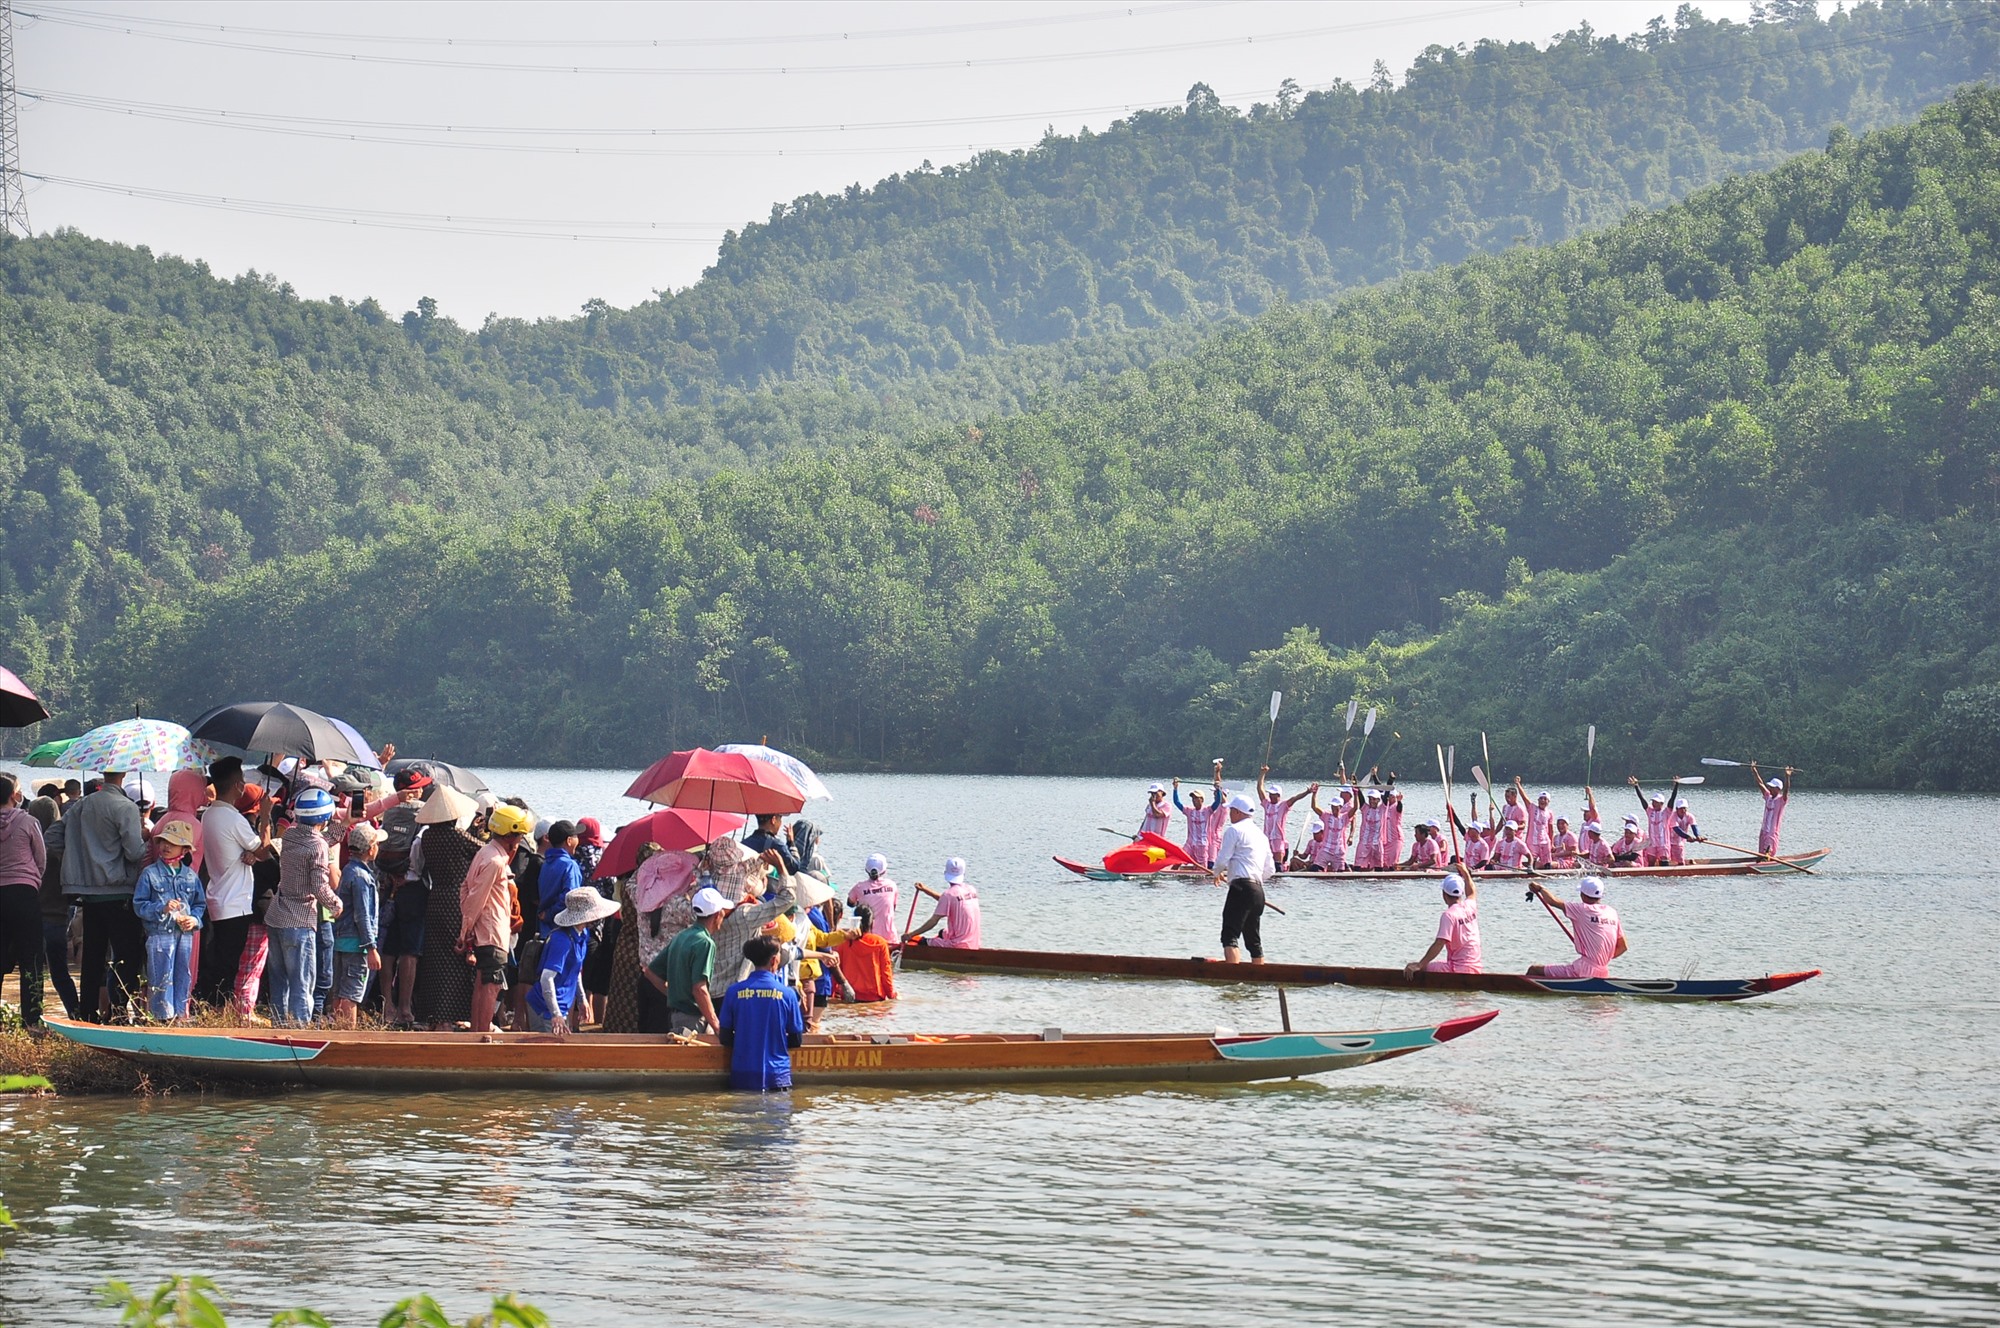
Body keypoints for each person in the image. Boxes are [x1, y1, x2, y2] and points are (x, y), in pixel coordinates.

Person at [61, 770, 149, 1021]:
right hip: (119, 892)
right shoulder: (125, 807)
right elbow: (134, 853)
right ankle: (120, 1013)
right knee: (126, 955)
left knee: (93, 957)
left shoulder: (80, 806)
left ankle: (88, 1013)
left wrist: (77, 861)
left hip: (88, 894)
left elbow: (54, 837)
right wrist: (145, 837)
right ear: (123, 773)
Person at [263, 788, 343, 1026]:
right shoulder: (316, 846)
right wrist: (336, 904)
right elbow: (320, 885)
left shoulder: (289, 835)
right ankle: (299, 1029)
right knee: (302, 983)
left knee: (279, 981)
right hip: (299, 920)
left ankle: (279, 1027)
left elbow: (319, 841)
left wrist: (345, 824)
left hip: (277, 914)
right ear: (324, 818)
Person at [196, 759, 271, 1010]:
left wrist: (250, 853)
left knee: (218, 960)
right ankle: (220, 1009)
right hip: (236, 902)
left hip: (217, 895)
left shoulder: (209, 815)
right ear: (238, 786)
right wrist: (266, 815)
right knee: (229, 965)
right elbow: (263, 850)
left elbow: (250, 851)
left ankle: (212, 1006)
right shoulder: (233, 818)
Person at [461, 803, 531, 1034]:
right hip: (492, 932)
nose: (521, 839)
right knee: (491, 986)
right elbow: (475, 898)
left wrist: (468, 927)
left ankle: (477, 1035)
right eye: (520, 835)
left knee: (483, 984)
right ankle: (482, 1036)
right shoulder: (495, 862)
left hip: (486, 930)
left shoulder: (486, 852)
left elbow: (465, 889)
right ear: (511, 835)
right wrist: (465, 931)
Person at [132, 821, 205, 1022]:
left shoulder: (191, 876)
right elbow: (139, 905)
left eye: (172, 843)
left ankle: (180, 1016)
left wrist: (194, 920)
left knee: (183, 974)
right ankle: (162, 1018)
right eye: (163, 842)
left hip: (184, 935)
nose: (166, 846)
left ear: (184, 849)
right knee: (161, 976)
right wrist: (161, 908)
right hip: (159, 934)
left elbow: (200, 904)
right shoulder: (150, 874)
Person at [717, 934, 806, 1092]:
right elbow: (796, 1040)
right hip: (778, 1076)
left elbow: (725, 1037)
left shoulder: (733, 992)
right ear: (774, 960)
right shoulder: (788, 994)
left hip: (742, 1076)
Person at [529, 884, 618, 1036]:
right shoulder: (561, 940)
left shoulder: (581, 935)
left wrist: (581, 999)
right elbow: (546, 978)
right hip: (546, 1009)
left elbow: (575, 970)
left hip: (560, 1006)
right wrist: (555, 1014)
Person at [644, 885, 733, 1034]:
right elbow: (699, 988)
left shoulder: (682, 936)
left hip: (676, 1016)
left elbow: (650, 972)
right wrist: (717, 1025)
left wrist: (674, 994)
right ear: (717, 915)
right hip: (692, 1019)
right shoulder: (704, 942)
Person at [0, 773, 50, 1028]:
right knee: (31, 958)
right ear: (14, 795)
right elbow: (41, 859)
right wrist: (33, 882)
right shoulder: (29, 821)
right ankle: (32, 1020)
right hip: (24, 892)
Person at [30, 790, 79, 1022]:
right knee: (61, 973)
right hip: (58, 919)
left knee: (34, 972)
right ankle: (76, 1014)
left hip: (33, 918)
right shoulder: (63, 852)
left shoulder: (28, 849)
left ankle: (34, 1017)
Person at [329, 823, 384, 1028]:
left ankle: (336, 1032)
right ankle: (347, 1037)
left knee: (339, 992)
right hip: (356, 943)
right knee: (351, 993)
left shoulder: (349, 870)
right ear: (370, 849)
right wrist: (371, 947)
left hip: (342, 940)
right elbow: (362, 915)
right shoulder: (361, 877)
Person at [1213, 793, 1274, 963]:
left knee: (1229, 936)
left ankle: (1233, 983)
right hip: (1258, 892)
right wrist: (1253, 881)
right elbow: (1270, 869)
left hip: (1240, 889)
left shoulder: (1234, 830)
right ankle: (1258, 979)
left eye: (1231, 810)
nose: (1230, 813)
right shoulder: (1262, 836)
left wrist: (1216, 873)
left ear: (1239, 812)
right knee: (1253, 940)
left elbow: (1222, 859)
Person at [1527, 876, 1629, 978]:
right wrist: (1599, 959)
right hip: (1603, 971)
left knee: (1534, 970)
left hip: (1582, 970)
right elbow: (1623, 947)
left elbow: (1552, 901)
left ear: (1582, 895)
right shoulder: (1611, 912)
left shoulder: (1580, 909)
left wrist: (1540, 888)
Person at [1405, 865, 1481, 976]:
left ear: (1444, 894)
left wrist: (1420, 965)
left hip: (1456, 969)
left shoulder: (1449, 915)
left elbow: (1439, 943)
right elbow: (1472, 892)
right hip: (1476, 968)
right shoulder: (1470, 906)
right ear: (1461, 893)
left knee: (1414, 967)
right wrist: (1466, 873)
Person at [904, 857, 980, 948]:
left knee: (916, 940)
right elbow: (949, 902)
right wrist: (925, 890)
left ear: (945, 873)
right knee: (942, 932)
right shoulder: (971, 890)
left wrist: (910, 935)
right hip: (974, 943)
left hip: (956, 945)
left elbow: (933, 921)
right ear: (963, 873)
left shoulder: (948, 894)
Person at [832, 905, 897, 1002]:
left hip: (849, 995)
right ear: (872, 922)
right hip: (874, 997)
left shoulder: (844, 943)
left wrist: (832, 993)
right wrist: (892, 995)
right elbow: (886, 973)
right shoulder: (880, 943)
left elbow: (836, 970)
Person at [1172, 762, 1226, 868]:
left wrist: (1218, 789)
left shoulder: (1208, 810)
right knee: (1178, 860)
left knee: (1202, 869)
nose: (1194, 800)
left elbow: (1218, 801)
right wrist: (1175, 789)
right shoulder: (1189, 811)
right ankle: (1172, 873)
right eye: (1193, 798)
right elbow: (1176, 802)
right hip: (1190, 843)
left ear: (1202, 799)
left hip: (1202, 844)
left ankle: (1203, 878)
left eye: (1196, 798)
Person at [1255, 769, 1311, 866]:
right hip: (1266, 838)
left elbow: (1295, 798)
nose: (1271, 796)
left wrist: (1307, 792)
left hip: (1278, 839)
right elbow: (1260, 788)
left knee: (1277, 866)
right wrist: (1262, 774)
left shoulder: (1283, 805)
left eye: (1273, 794)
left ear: (1278, 795)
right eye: (1270, 794)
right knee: (1266, 865)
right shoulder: (1266, 804)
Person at [1629, 776, 1683, 868]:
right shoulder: (1650, 811)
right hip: (1652, 842)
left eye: (1656, 802)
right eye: (1653, 801)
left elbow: (1672, 799)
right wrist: (1636, 786)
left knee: (1664, 861)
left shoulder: (1667, 812)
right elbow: (1642, 800)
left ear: (1661, 803)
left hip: (1663, 843)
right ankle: (1651, 879)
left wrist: (1676, 786)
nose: (1654, 803)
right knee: (1651, 861)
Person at [848, 854, 899, 943]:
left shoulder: (859, 887)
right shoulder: (892, 885)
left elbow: (850, 903)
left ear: (866, 870)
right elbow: (893, 907)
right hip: (890, 938)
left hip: (868, 938)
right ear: (884, 871)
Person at [1750, 763, 1792, 857]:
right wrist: (1754, 771)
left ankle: (1767, 861)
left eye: (1772, 788)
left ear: (1778, 789)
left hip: (1772, 833)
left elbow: (1786, 790)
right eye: (1770, 787)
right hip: (1764, 831)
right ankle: (1761, 861)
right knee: (1761, 854)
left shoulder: (1781, 800)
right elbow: (1760, 784)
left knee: (1768, 854)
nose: (1770, 789)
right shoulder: (1768, 796)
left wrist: (1787, 776)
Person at [1671, 799, 1701, 865]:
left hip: (1679, 842)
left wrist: (1698, 836)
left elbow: (1694, 826)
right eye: (1681, 808)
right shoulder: (1672, 816)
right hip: (1669, 840)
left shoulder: (1690, 816)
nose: (1683, 810)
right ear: (1676, 809)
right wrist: (1688, 837)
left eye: (1684, 808)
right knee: (1667, 859)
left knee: (1680, 860)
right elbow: (1677, 829)